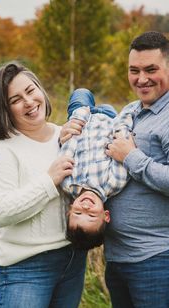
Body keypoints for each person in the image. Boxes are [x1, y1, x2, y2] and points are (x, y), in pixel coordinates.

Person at [60, 31, 169, 308]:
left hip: (161, 255)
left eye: (150, 69)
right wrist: (68, 133)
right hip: (122, 256)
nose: (141, 79)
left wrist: (133, 157)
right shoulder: (133, 110)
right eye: (134, 70)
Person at [0, 61, 87, 308]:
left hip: (71, 261)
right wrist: (49, 180)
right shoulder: (2, 150)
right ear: (4, 109)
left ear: (41, 90)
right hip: (27, 267)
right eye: (16, 99)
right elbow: (0, 211)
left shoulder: (64, 135)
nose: (29, 102)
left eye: (31, 90)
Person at [60, 88, 133, 250]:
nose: (85, 208)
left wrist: (81, 115)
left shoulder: (67, 182)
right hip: (108, 117)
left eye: (78, 213)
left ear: (70, 210)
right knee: (109, 101)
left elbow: (68, 146)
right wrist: (125, 117)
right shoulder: (114, 183)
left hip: (81, 116)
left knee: (81, 91)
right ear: (105, 215)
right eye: (92, 215)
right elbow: (120, 140)